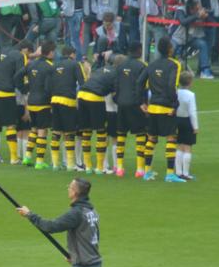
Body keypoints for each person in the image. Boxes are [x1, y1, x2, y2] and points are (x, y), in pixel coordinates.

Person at [139, 36, 184, 183]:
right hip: (166, 107)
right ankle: (170, 174)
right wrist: (174, 105)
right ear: (170, 49)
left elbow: (139, 83)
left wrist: (143, 102)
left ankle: (147, 172)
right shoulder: (175, 64)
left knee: (151, 139)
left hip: (152, 108)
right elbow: (172, 86)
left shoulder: (151, 64)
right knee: (171, 138)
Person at [0, 40, 32, 164]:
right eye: (28, 53)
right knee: (11, 125)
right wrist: (24, 89)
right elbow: (20, 75)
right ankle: (14, 158)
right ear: (25, 50)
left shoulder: (4, 50)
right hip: (6, 93)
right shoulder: (20, 56)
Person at [17, 40, 55, 170]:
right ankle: (39, 161)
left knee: (33, 130)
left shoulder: (31, 64)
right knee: (42, 132)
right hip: (43, 103)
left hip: (31, 101)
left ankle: (27, 157)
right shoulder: (50, 67)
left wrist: (24, 89)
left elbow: (17, 76)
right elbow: (49, 87)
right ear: (50, 53)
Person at [77, 56, 118, 174]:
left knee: (86, 131)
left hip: (81, 94)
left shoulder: (101, 69)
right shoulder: (116, 74)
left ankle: (88, 167)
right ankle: (100, 167)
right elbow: (116, 95)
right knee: (101, 132)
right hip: (95, 97)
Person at [112, 42, 148, 178]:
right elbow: (143, 87)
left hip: (122, 104)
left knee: (121, 135)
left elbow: (116, 85)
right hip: (135, 104)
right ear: (139, 51)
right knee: (140, 135)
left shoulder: (120, 66)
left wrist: (118, 100)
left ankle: (120, 168)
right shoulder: (142, 66)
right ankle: (139, 169)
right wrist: (143, 103)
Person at [51, 45, 87, 171]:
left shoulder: (54, 65)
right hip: (68, 101)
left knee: (56, 132)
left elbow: (48, 84)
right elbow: (83, 83)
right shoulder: (75, 64)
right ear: (72, 54)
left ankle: (55, 163)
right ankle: (71, 164)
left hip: (54, 100)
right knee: (69, 133)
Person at [175, 71, 199, 181]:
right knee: (187, 147)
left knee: (179, 146)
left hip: (176, 120)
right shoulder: (191, 95)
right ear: (190, 82)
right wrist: (195, 126)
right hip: (187, 121)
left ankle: (178, 172)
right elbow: (192, 112)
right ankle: (185, 173)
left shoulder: (176, 93)